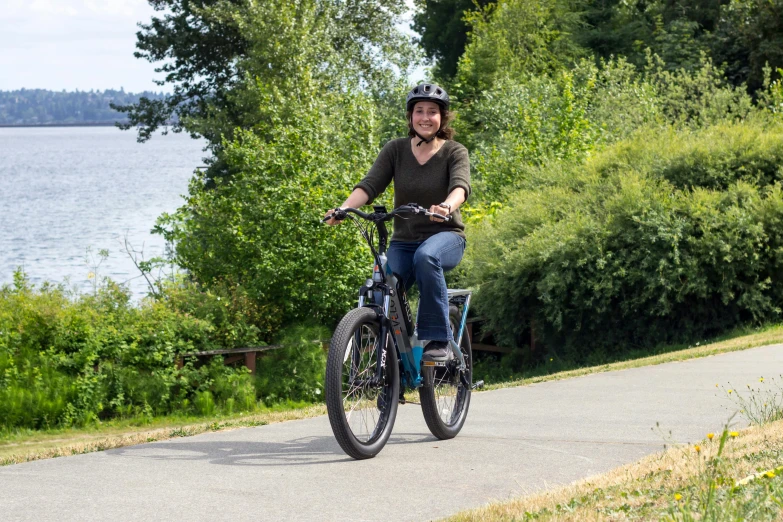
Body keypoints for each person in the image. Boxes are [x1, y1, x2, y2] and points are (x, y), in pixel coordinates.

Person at [325, 83, 471, 361]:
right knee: (383, 281)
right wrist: (343, 209)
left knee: (427, 256)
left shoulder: (454, 151)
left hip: (446, 236)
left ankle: (439, 337)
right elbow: (369, 186)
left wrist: (446, 206)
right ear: (410, 116)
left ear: (443, 117)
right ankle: (388, 364)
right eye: (419, 111)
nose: (425, 117)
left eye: (432, 111)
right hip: (404, 241)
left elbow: (460, 188)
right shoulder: (396, 150)